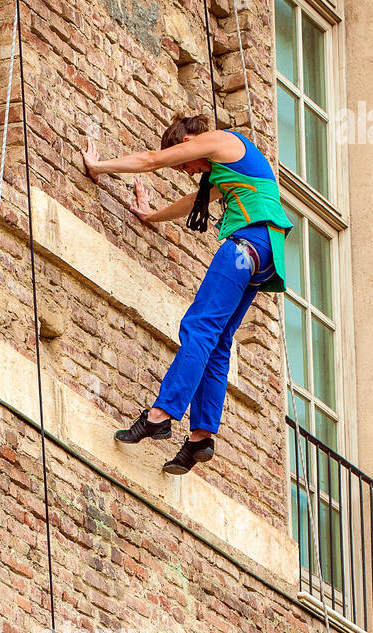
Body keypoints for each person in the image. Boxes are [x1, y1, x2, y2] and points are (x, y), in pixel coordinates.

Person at [83, 114, 293, 475]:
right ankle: (201, 437)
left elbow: (150, 161)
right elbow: (194, 200)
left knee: (199, 329)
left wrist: (98, 166)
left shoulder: (219, 141)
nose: (191, 170)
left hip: (245, 247)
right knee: (219, 342)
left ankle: (160, 415)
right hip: (267, 256)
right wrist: (152, 217)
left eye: (186, 164)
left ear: (187, 143)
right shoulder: (228, 167)